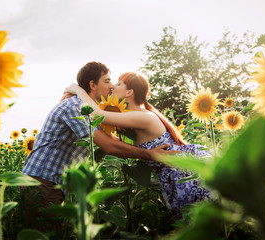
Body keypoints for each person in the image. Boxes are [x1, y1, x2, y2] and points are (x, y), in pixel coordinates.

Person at [21, 62, 178, 232]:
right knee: (47, 234)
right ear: (92, 85)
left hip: (48, 182)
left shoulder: (87, 108)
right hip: (41, 182)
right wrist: (150, 154)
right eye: (107, 81)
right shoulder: (77, 107)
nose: (111, 87)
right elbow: (109, 146)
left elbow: (110, 139)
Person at [66, 72, 211, 221]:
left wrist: (78, 91)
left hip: (185, 173)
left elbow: (97, 115)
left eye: (119, 84)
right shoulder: (135, 116)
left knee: (201, 223)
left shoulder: (142, 116)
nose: (113, 87)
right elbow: (114, 141)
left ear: (129, 93)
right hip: (176, 171)